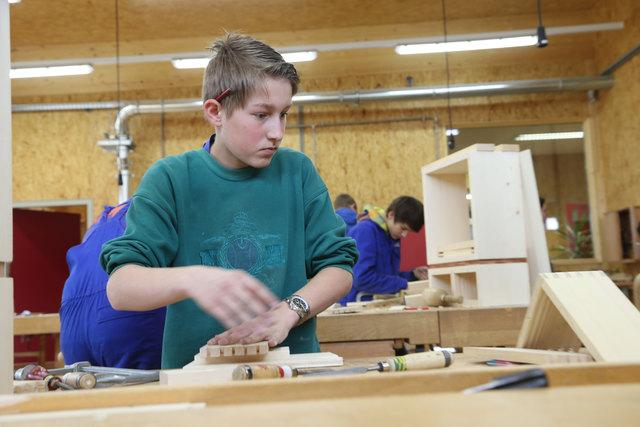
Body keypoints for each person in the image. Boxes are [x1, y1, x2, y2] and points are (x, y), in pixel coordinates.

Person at [100, 32, 359, 369]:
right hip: (196, 380)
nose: (277, 132)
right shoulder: (171, 179)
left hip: (292, 373)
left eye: (284, 114)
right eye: (261, 115)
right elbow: (121, 289)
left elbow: (338, 269)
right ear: (215, 112)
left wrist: (289, 311)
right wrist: (193, 278)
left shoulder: (297, 172)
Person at [60, 199, 166, 369]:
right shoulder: (155, 206)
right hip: (120, 315)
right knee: (152, 392)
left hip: (73, 322)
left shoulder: (101, 220)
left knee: (83, 389)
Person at [339, 196, 429, 305]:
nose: (404, 235)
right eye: (403, 228)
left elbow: (386, 276)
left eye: (409, 231)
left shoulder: (392, 236)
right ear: (391, 215)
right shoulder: (365, 231)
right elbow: (361, 278)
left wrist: (412, 275)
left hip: (375, 303)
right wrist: (403, 284)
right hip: (354, 305)